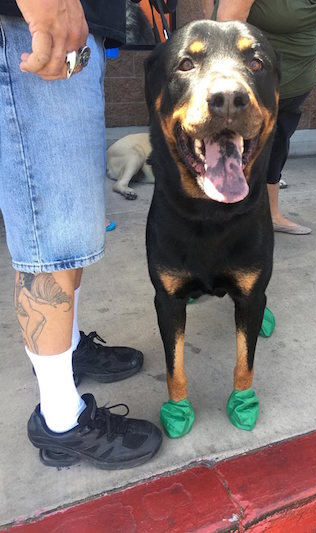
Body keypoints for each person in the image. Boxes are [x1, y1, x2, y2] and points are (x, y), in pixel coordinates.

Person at [0, 0, 162, 469]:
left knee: (69, 232)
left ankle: (67, 352)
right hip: (31, 26)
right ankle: (60, 422)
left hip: (73, 29)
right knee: (48, 239)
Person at [203, 0, 316, 235]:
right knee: (234, 149)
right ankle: (224, 221)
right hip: (254, 86)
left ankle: (270, 214)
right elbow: (226, 25)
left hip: (297, 81)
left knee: (277, 147)